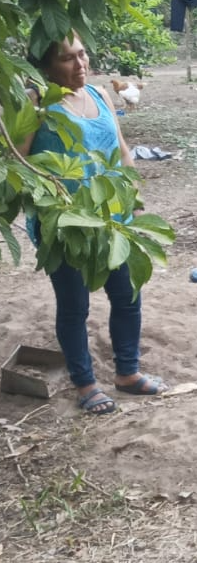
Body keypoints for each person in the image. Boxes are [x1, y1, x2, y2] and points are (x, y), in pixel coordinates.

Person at [16, 34, 168, 415]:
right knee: (74, 306)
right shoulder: (37, 104)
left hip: (112, 219)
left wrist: (133, 201)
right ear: (45, 67)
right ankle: (85, 384)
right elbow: (18, 165)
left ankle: (128, 374)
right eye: (66, 58)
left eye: (82, 54)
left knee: (127, 296)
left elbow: (121, 150)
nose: (79, 64)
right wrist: (51, 200)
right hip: (64, 225)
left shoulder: (100, 94)